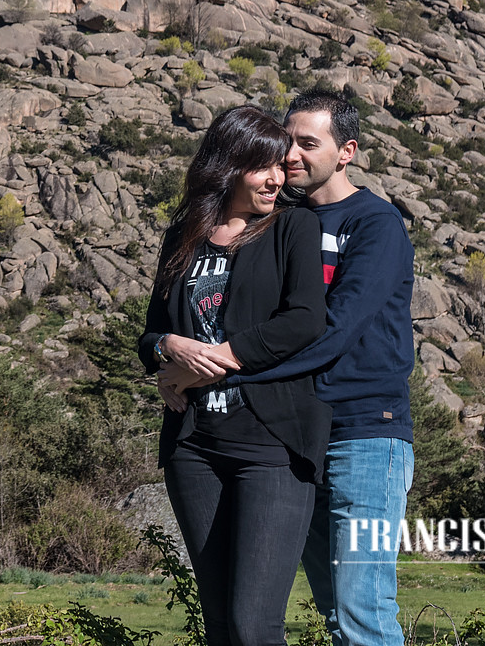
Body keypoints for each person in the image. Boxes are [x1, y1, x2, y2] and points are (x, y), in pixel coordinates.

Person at [161, 91, 415, 646]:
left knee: (362, 612)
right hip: (296, 433)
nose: (291, 157)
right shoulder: (275, 221)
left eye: (307, 143)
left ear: (346, 151)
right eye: (285, 144)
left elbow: (331, 332)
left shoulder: (374, 224)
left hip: (364, 432)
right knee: (331, 609)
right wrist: (173, 352)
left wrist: (216, 371)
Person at [138, 105, 330, 646]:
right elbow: (150, 335)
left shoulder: (293, 227)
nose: (276, 179)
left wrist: (212, 363)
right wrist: (168, 348)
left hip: (271, 446)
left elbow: (305, 320)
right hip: (194, 447)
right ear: (226, 166)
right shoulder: (184, 235)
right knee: (220, 623)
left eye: (280, 166)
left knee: (254, 625)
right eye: (261, 167)